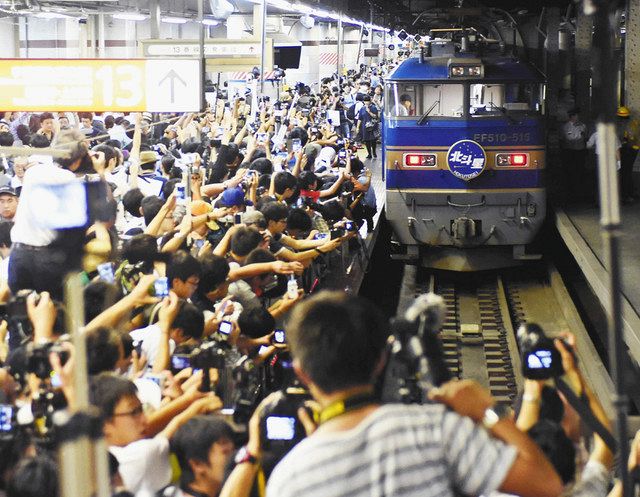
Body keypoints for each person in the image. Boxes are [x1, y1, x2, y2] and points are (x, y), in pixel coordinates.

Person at [266, 291, 563, 497]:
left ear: (302, 373)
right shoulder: (435, 429)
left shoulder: (288, 480)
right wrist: (487, 409)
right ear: (382, 358)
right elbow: (546, 485)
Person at [560, 110, 587, 201]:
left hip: (580, 151)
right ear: (571, 117)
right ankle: (569, 191)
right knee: (570, 172)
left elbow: (584, 137)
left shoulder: (582, 126)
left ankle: (579, 191)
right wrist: (578, 139)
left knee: (580, 171)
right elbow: (567, 139)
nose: (577, 118)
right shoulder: (565, 127)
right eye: (576, 116)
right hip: (569, 152)